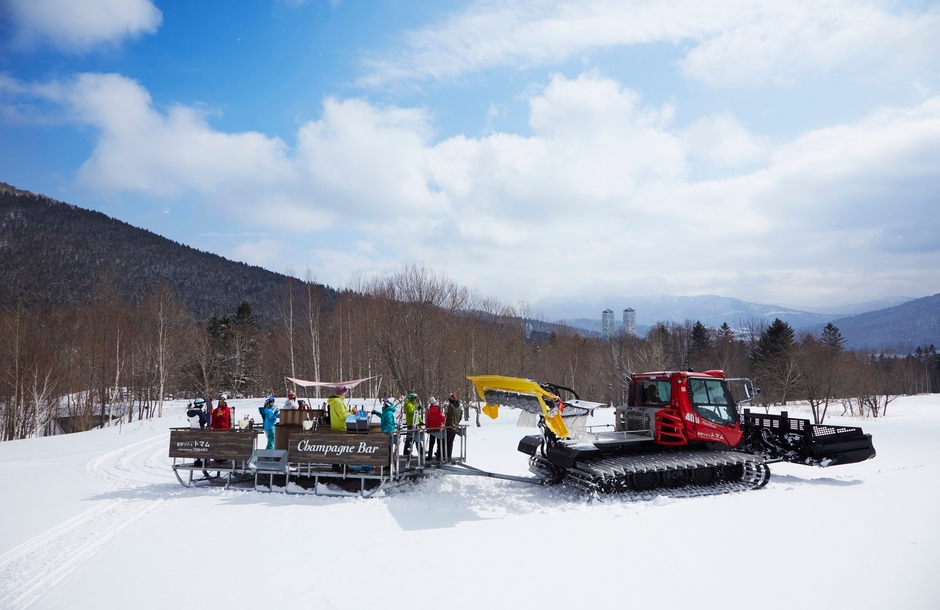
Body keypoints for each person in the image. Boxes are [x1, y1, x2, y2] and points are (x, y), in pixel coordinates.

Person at [425, 397, 445, 461]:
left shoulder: (429, 412)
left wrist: (428, 428)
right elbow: (443, 419)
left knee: (431, 443)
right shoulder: (439, 411)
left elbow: (427, 421)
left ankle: (429, 455)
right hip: (439, 428)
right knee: (439, 443)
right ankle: (439, 456)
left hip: (432, 429)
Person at [445, 393, 462, 461]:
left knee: (446, 442)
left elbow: (450, 416)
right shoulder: (459, 407)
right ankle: (449, 455)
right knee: (451, 442)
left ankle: (446, 455)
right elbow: (460, 416)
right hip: (455, 426)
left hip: (450, 427)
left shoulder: (451, 406)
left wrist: (451, 423)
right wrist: (456, 423)